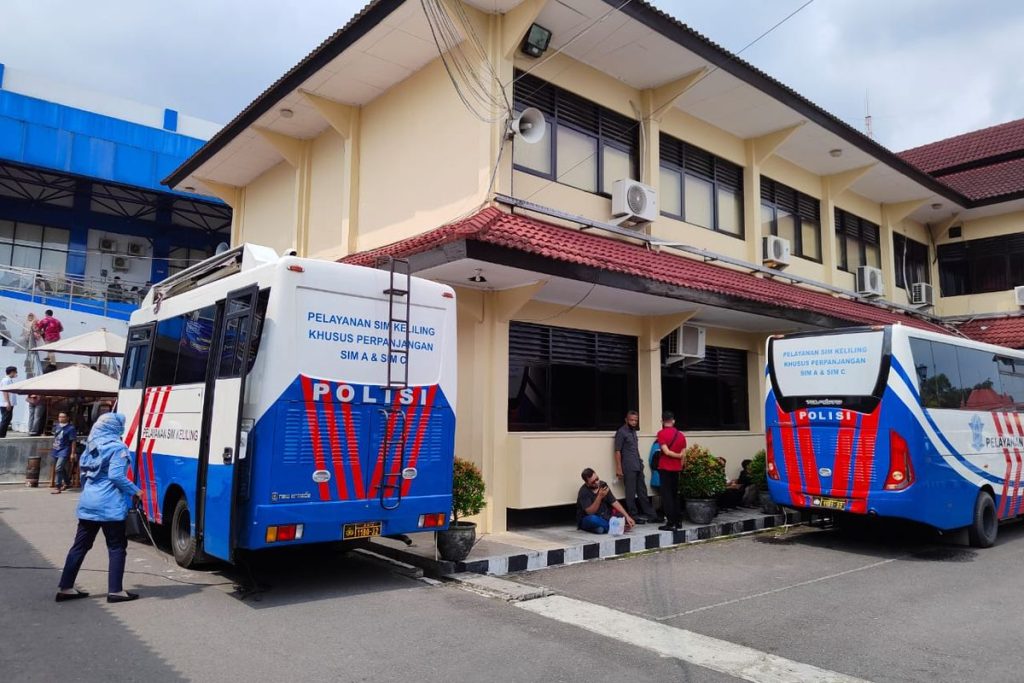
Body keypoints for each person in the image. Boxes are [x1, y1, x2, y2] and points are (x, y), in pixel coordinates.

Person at [55, 413, 143, 603]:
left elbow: (84, 476)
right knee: (117, 547)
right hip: (109, 506)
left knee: (80, 546)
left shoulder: (90, 447)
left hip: (88, 502)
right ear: (114, 428)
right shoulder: (117, 448)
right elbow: (116, 476)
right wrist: (136, 491)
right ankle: (116, 591)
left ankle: (66, 587)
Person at [613, 410, 659, 524]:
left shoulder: (633, 432)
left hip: (638, 465)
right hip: (628, 466)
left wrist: (640, 462)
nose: (634, 422)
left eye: (635, 420)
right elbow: (617, 451)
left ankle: (651, 515)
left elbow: (635, 449)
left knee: (642, 491)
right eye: (631, 420)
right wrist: (618, 468)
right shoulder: (621, 432)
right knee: (630, 492)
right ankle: (633, 516)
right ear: (626, 420)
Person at [655, 411, 688, 531]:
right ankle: (678, 521)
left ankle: (671, 523)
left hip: (665, 468)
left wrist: (677, 456)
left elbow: (667, 451)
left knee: (667, 496)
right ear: (673, 421)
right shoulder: (681, 435)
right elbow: (684, 454)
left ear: (662, 422)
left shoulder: (661, 434)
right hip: (676, 469)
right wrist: (680, 460)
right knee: (675, 495)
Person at [576, 468, 635, 534]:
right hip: (588, 518)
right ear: (587, 483)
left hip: (604, 516)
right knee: (592, 519)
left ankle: (602, 528)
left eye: (597, 479)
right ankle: (615, 527)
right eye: (593, 482)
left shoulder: (603, 485)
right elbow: (590, 512)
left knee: (622, 516)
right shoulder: (583, 491)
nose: (597, 482)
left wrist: (627, 516)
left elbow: (614, 501)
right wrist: (599, 496)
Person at [50, 412, 77, 493]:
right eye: (59, 417)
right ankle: (67, 482)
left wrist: (72, 453)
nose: (61, 418)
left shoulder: (71, 428)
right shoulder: (56, 426)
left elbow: (73, 441)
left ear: (67, 418)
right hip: (56, 449)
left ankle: (58, 486)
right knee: (61, 469)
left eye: (63, 417)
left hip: (64, 450)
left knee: (58, 468)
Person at [0, 366, 18, 438]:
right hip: (6, 403)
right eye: (15, 372)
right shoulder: (6, 380)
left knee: (7, 419)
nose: (16, 374)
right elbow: (5, 391)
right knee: (6, 419)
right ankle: (1, 434)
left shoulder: (9, 380)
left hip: (8, 403)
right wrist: (7, 402)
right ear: (12, 372)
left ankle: (2, 434)